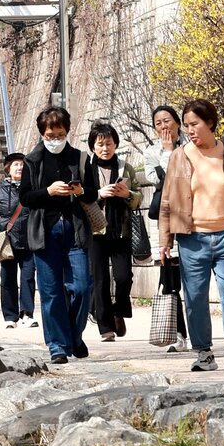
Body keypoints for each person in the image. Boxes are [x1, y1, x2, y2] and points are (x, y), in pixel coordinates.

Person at [157, 98, 224, 372]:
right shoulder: (179, 156)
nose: (190, 130)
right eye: (187, 125)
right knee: (195, 297)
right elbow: (167, 201)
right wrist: (164, 240)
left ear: (211, 123)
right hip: (192, 239)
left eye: (195, 124)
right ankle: (204, 353)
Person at [18, 104, 97, 365]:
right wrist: (48, 192)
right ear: (42, 134)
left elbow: (93, 192)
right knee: (51, 292)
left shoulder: (80, 157)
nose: (55, 140)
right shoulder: (32, 161)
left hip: (74, 229)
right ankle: (58, 345)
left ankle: (74, 336)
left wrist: (79, 191)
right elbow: (26, 197)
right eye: (50, 136)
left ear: (67, 131)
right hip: (44, 232)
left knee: (83, 287)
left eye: (59, 134)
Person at [83, 121, 144, 342]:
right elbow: (80, 196)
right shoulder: (87, 169)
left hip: (121, 231)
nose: (105, 148)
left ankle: (119, 311)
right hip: (95, 232)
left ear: (116, 144)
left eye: (109, 143)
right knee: (99, 280)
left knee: (123, 276)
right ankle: (105, 327)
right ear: (93, 147)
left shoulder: (125, 167)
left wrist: (126, 194)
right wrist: (99, 193)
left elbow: (138, 198)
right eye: (100, 144)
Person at [147, 104, 189, 351]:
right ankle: (180, 334)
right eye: (158, 123)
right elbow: (160, 179)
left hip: (192, 219)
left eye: (167, 121)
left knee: (193, 280)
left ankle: (197, 331)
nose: (164, 127)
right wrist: (167, 151)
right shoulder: (151, 153)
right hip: (166, 222)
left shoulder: (192, 145)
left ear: (177, 122)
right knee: (171, 281)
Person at [0, 151, 36, 328]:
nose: (20, 167)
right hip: (7, 243)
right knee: (8, 279)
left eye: (22, 164)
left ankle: (27, 314)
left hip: (29, 240)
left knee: (28, 278)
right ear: (8, 169)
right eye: (16, 164)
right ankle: (10, 316)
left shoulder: (32, 188)